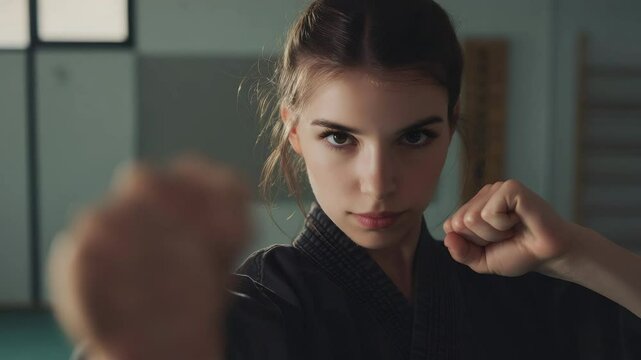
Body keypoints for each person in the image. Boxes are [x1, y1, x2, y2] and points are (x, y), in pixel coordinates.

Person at [47, 0, 641, 359]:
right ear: (294, 131)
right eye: (340, 137)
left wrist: (575, 251)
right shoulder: (268, 302)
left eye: (414, 136)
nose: (378, 181)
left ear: (451, 127)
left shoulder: (510, 285)